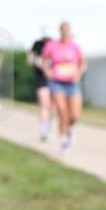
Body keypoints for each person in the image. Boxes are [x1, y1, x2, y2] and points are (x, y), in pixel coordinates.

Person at [42, 22, 86, 153]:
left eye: (67, 30)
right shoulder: (52, 45)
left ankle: (69, 128)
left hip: (72, 82)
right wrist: (47, 72)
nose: (65, 32)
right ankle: (64, 141)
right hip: (57, 81)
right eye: (63, 30)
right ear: (60, 31)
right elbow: (44, 60)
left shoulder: (74, 46)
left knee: (75, 115)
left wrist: (78, 73)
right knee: (62, 111)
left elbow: (82, 63)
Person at [28, 30, 53, 141]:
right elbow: (30, 60)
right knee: (44, 105)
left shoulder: (55, 45)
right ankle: (44, 131)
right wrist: (39, 62)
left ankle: (49, 127)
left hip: (55, 80)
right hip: (41, 79)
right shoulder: (37, 44)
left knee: (53, 107)